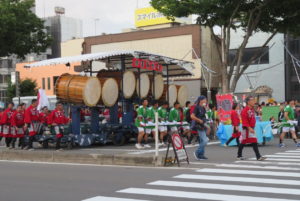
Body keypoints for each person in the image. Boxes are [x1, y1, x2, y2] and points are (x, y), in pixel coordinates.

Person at [237, 96, 266, 161]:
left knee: (244, 142)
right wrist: (249, 128)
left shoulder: (252, 109)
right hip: (247, 128)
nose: (254, 101)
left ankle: (239, 155)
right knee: (253, 141)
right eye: (252, 100)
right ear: (248, 102)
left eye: (254, 100)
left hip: (251, 127)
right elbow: (244, 121)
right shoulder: (245, 110)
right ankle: (258, 156)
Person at [191, 96, 208, 160]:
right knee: (205, 140)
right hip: (198, 125)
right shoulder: (196, 107)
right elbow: (192, 116)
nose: (206, 101)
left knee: (202, 140)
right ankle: (197, 152)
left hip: (203, 125)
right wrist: (199, 120)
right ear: (201, 100)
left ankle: (201, 155)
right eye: (205, 99)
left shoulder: (203, 108)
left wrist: (207, 126)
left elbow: (204, 117)